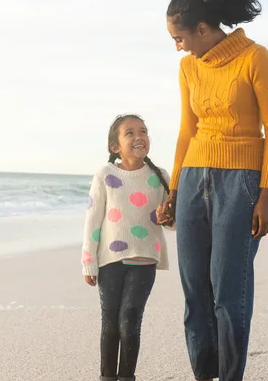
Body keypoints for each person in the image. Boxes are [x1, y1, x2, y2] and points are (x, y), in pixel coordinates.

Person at [158, 0, 268, 380]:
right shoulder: (187, 67)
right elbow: (186, 130)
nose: (177, 46)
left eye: (179, 37)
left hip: (241, 183)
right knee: (196, 291)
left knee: (228, 291)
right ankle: (203, 374)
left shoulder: (255, 57)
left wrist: (266, 196)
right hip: (194, 179)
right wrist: (174, 191)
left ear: (202, 28)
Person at [81, 114, 172, 381]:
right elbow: (93, 219)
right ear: (115, 147)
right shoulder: (105, 175)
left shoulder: (160, 176)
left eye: (143, 131)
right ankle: (107, 377)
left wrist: (166, 217)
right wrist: (88, 261)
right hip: (109, 259)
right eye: (129, 133)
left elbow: (172, 222)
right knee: (110, 324)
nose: (138, 136)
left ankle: (127, 377)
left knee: (129, 321)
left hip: (144, 257)